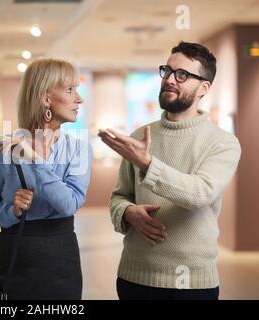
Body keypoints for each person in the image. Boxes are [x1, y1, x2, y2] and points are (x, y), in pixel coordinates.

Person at [98, 41, 241, 300]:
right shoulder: (140, 135)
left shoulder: (223, 142)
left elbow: (201, 193)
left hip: (192, 286)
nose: (170, 80)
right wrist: (128, 213)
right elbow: (119, 197)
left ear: (204, 88)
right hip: (134, 279)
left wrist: (147, 164)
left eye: (183, 75)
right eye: (168, 71)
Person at [0, 58, 92, 300]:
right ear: (45, 97)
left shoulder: (78, 149)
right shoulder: (2, 148)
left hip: (61, 259)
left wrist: (33, 159)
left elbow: (69, 204)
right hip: (15, 258)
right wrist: (12, 212)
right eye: (70, 90)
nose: (78, 99)